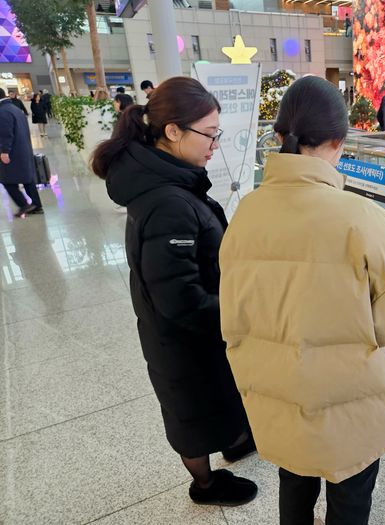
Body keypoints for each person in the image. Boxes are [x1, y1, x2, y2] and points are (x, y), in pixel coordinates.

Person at [219, 76, 385, 525]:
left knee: (294, 476)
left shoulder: (245, 213)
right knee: (351, 492)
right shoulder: (362, 217)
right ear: (339, 141)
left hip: (278, 391)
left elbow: (234, 315)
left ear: (280, 135)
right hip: (348, 401)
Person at [91, 76, 258, 507]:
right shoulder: (167, 201)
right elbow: (181, 298)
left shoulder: (164, 179)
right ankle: (205, 486)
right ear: (172, 131)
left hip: (185, 328)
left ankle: (235, 440)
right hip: (182, 337)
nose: (215, 144)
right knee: (191, 413)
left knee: (213, 398)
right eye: (210, 134)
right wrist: (242, 312)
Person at [0, 88, 44, 217]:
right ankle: (36, 205)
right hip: (22, 149)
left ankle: (24, 205)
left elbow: (5, 134)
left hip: (12, 151)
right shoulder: (15, 109)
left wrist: (4, 151)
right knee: (27, 178)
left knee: (7, 180)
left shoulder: (3, 111)